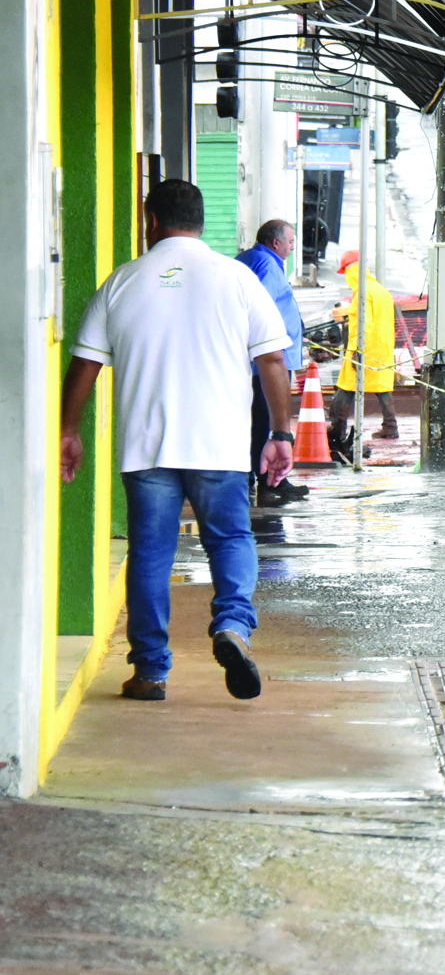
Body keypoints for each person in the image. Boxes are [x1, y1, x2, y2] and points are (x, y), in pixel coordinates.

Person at [60, 179, 293, 702]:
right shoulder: (237, 279)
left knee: (150, 553)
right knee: (230, 540)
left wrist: (68, 430)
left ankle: (150, 671)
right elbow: (273, 361)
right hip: (220, 446)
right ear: (201, 221)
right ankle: (232, 626)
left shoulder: (122, 282)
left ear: (151, 221)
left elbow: (85, 366)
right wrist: (281, 432)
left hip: (147, 450)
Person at [234, 219, 309, 507]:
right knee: (267, 418)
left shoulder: (253, 259)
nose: (292, 247)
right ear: (276, 242)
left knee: (260, 418)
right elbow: (259, 308)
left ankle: (261, 475)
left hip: (265, 357)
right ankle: (269, 478)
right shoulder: (265, 264)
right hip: (268, 359)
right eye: (290, 242)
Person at [329, 249, 398, 459]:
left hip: (364, 348)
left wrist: (358, 350)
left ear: (351, 271)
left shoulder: (363, 292)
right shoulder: (380, 290)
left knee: (346, 387)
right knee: (382, 388)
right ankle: (390, 426)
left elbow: (363, 323)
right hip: (383, 347)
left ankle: (337, 429)